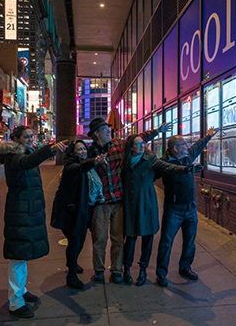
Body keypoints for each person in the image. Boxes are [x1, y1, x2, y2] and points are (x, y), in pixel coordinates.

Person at [0, 126, 68, 319]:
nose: (30, 139)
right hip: (20, 211)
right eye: (26, 137)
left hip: (27, 210)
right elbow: (27, 162)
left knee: (23, 255)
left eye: (32, 136)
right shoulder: (14, 156)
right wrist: (50, 149)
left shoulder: (24, 153)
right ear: (17, 139)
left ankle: (21, 291)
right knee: (18, 258)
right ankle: (16, 302)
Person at [86, 117, 168, 284]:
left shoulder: (118, 145)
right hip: (100, 203)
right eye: (104, 129)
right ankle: (99, 270)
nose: (109, 130)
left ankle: (117, 270)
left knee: (118, 238)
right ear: (96, 134)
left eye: (108, 128)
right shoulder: (89, 152)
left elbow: (138, 139)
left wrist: (157, 131)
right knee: (99, 239)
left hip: (118, 200)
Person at [121, 134, 201, 286]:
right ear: (130, 147)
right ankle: (128, 269)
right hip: (133, 206)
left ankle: (143, 271)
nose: (141, 146)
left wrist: (185, 170)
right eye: (137, 144)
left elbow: (168, 167)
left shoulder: (151, 160)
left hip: (148, 205)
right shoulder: (124, 163)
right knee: (131, 239)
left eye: (142, 143)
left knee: (148, 239)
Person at [155, 127, 217, 287]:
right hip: (174, 209)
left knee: (190, 240)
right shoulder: (164, 163)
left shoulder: (187, 156)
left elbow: (197, 146)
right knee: (166, 241)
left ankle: (185, 267)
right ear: (175, 148)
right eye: (183, 144)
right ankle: (161, 273)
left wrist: (208, 135)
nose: (187, 146)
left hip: (190, 207)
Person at [51, 141, 107, 289]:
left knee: (77, 241)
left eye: (84, 148)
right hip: (71, 211)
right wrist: (94, 161)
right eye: (78, 149)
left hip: (84, 209)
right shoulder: (70, 166)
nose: (82, 151)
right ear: (72, 153)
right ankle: (71, 275)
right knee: (76, 241)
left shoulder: (89, 167)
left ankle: (73, 263)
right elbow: (79, 168)